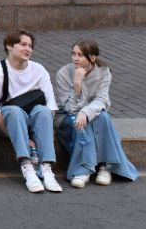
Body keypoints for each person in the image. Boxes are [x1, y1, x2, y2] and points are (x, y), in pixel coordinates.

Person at [0, 30, 62, 194]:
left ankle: (46, 168)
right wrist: (22, 137)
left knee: (42, 110)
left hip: (30, 124)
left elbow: (52, 107)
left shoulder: (39, 70)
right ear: (9, 46)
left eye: (30, 46)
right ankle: (27, 167)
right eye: (23, 44)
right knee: (14, 111)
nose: (28, 49)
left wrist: (32, 135)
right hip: (4, 122)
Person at [54, 40, 139, 189]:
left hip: (93, 115)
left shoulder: (104, 72)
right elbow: (69, 108)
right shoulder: (63, 73)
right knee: (85, 120)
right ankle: (84, 169)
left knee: (103, 116)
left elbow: (102, 100)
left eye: (80, 55)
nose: (75, 58)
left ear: (92, 58)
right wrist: (77, 85)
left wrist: (86, 113)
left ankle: (106, 167)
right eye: (73, 54)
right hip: (67, 118)